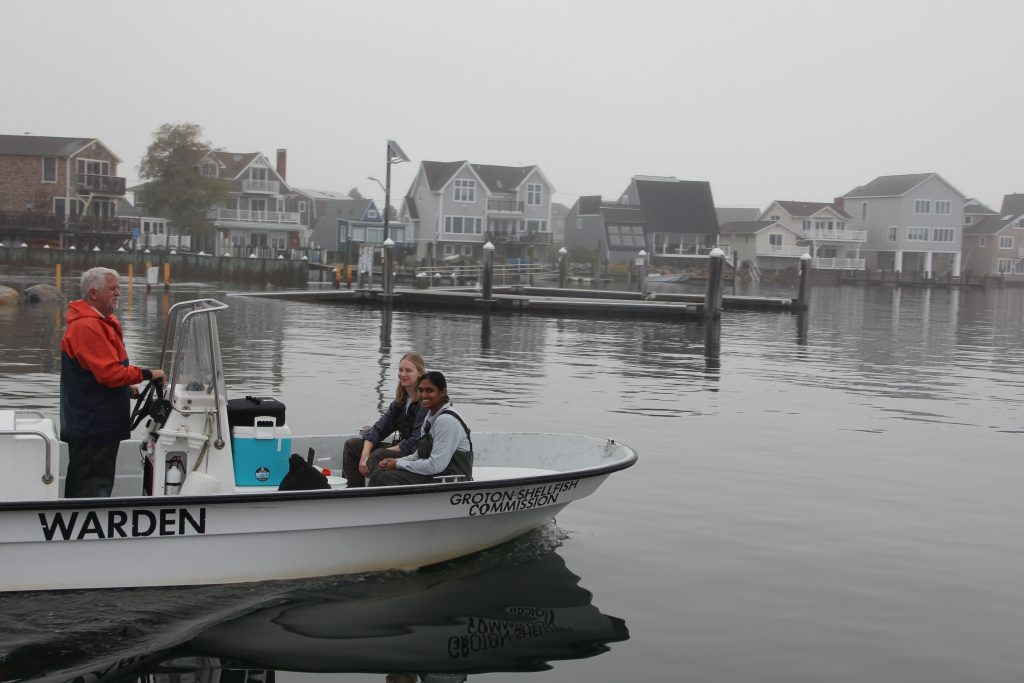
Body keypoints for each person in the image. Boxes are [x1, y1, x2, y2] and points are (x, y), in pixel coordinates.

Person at [59, 267, 166, 497]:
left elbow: (98, 370)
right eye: (112, 288)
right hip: (92, 426)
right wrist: (150, 374)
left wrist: (125, 387)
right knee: (91, 486)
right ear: (93, 293)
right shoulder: (87, 326)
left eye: (119, 287)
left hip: (99, 422)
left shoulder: (100, 322)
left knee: (96, 480)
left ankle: (86, 524)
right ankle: (83, 528)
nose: (118, 292)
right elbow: (109, 373)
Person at [369, 371, 473, 486]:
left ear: (443, 392)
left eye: (429, 390)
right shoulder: (430, 416)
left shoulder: (447, 420)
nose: (423, 395)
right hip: (437, 474)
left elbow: (436, 465)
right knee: (380, 472)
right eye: (420, 390)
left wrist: (398, 465)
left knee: (383, 477)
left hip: (453, 480)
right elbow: (418, 455)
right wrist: (395, 461)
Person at [342, 351, 428, 487]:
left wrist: (376, 454)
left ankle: (375, 498)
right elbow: (379, 428)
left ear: (420, 373)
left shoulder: (425, 403)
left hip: (416, 454)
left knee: (378, 454)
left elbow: (415, 443)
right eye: (400, 370)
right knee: (352, 446)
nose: (403, 374)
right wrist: (365, 454)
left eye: (408, 370)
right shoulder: (400, 401)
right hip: (401, 449)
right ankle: (353, 492)